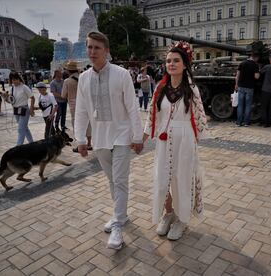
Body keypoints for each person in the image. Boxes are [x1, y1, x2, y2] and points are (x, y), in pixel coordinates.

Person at [74, 31, 143, 250]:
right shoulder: (84, 78)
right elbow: (81, 110)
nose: (92, 52)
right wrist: (80, 139)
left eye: (97, 47)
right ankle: (120, 216)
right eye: (89, 47)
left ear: (107, 51)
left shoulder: (121, 74)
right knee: (112, 180)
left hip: (122, 135)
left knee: (120, 180)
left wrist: (138, 136)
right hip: (100, 138)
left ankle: (117, 228)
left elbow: (132, 106)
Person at [143, 41, 207, 241]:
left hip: (185, 139)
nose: (171, 64)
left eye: (176, 60)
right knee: (163, 179)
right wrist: (143, 136)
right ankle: (168, 212)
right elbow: (152, 114)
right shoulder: (160, 88)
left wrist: (197, 141)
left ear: (185, 64)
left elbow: (199, 116)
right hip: (163, 139)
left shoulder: (192, 90)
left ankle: (181, 218)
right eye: (168, 60)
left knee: (182, 179)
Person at [61, 60, 92, 152]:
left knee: (77, 124)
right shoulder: (84, 78)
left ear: (68, 70)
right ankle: (89, 144)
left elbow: (63, 95)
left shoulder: (67, 81)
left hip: (74, 105)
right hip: (86, 103)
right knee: (88, 122)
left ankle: (80, 145)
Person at [8, 72, 35, 145]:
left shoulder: (24, 87)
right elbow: (11, 100)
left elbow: (32, 98)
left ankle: (18, 146)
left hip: (24, 110)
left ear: (19, 79)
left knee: (20, 129)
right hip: (16, 110)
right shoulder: (12, 88)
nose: (14, 81)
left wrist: (31, 109)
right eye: (13, 80)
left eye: (16, 79)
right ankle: (31, 143)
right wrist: (5, 97)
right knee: (24, 128)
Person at [235, 53, 260, 127]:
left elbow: (237, 75)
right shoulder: (255, 65)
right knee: (248, 105)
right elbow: (256, 77)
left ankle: (239, 122)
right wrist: (259, 72)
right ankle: (246, 123)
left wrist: (236, 84)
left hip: (241, 86)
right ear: (256, 58)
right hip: (249, 87)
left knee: (240, 105)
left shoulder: (242, 63)